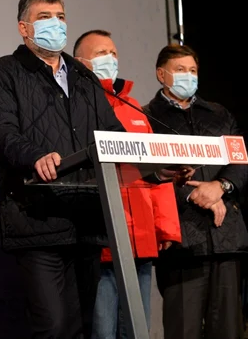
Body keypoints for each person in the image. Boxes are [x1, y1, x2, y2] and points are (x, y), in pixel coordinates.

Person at [0, 0, 125, 339]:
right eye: (45, 17)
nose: (56, 25)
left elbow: (112, 132)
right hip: (38, 217)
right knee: (52, 326)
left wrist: (153, 163)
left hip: (87, 220)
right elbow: (0, 134)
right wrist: (35, 156)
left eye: (60, 17)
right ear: (23, 28)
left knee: (81, 328)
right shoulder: (4, 72)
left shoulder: (84, 77)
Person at [73, 30, 181, 339]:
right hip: (102, 238)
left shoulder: (134, 108)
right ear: (80, 63)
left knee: (137, 328)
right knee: (103, 331)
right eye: (101, 53)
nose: (110, 59)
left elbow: (155, 172)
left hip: (142, 237)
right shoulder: (77, 107)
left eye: (113, 53)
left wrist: (165, 227)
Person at [144, 44, 248, 339]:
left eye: (192, 71)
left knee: (228, 330)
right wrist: (191, 195)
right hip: (181, 240)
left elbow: (240, 163)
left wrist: (220, 187)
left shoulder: (218, 114)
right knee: (183, 328)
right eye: (180, 70)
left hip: (225, 235)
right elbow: (145, 178)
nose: (188, 76)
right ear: (160, 74)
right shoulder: (146, 118)